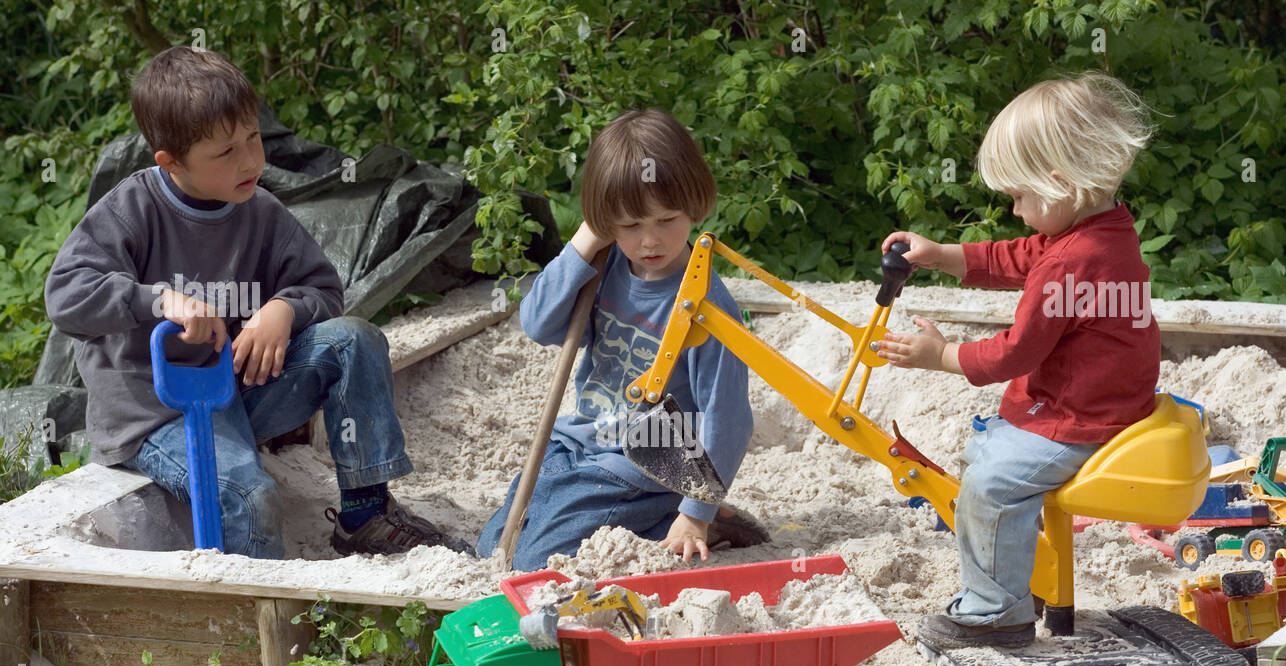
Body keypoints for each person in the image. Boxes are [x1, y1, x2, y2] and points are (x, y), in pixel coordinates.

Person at [44, 46, 467, 558]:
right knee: (250, 495)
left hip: (235, 391)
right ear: (171, 163)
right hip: (155, 412)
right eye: (225, 153)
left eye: (252, 139)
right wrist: (159, 301)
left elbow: (325, 291)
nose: (250, 160)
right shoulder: (131, 211)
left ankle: (365, 515)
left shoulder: (260, 210)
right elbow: (65, 295)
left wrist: (283, 310)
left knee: (352, 339)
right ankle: (257, 611)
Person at [875, 72, 1158, 648]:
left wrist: (940, 354)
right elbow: (1020, 254)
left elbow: (1015, 352)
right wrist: (944, 255)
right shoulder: (1102, 229)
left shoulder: (1070, 262)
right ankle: (1012, 578)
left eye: (1018, 197)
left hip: (1082, 418)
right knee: (986, 450)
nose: (1013, 210)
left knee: (993, 484)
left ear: (1058, 185)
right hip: (1097, 399)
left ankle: (995, 615)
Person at [478, 109, 755, 571]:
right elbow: (539, 323)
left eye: (666, 219)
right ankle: (666, 519)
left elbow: (727, 418)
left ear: (695, 206)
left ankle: (683, 522)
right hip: (579, 442)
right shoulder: (603, 267)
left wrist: (696, 513)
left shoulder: (704, 305)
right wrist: (585, 241)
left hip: (646, 462)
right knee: (493, 545)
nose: (650, 240)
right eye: (629, 225)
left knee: (532, 559)